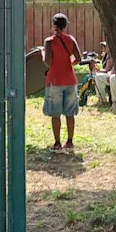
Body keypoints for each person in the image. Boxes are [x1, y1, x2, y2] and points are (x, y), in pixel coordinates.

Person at [43, 13, 82, 153]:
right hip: (70, 80)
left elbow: (48, 62)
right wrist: (68, 63)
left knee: (55, 114)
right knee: (70, 113)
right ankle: (70, 142)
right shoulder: (71, 39)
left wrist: (43, 53)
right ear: (65, 26)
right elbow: (78, 58)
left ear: (53, 26)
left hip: (55, 80)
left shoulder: (49, 41)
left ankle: (57, 143)